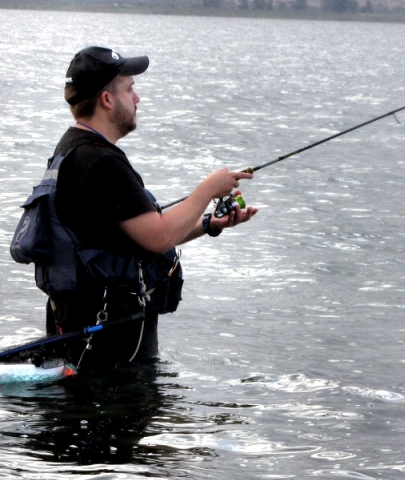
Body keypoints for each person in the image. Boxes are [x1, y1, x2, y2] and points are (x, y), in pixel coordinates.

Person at [44, 45, 258, 370]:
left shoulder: (73, 149)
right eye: (130, 89)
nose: (137, 98)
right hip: (112, 345)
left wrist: (209, 224)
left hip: (82, 327)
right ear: (107, 99)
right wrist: (209, 188)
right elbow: (159, 238)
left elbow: (138, 237)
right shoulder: (101, 162)